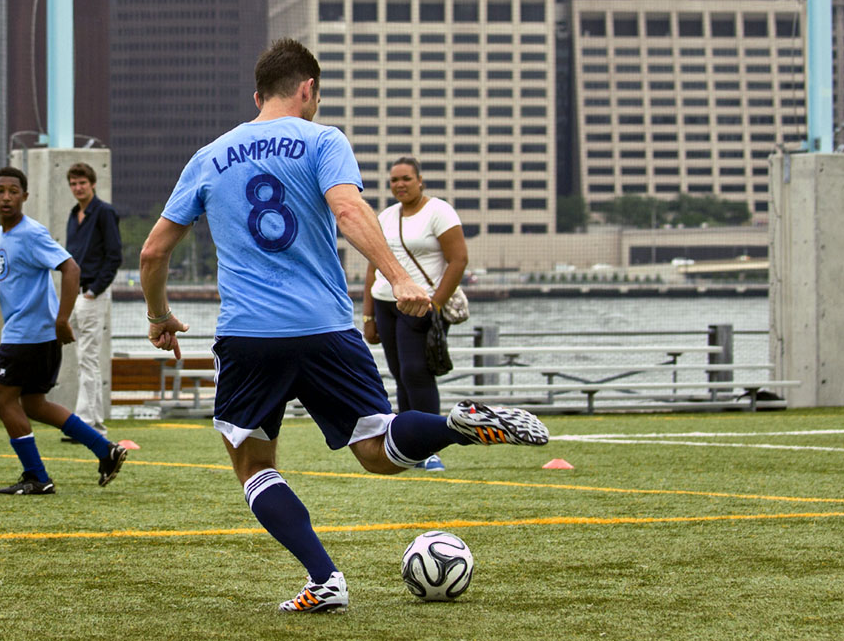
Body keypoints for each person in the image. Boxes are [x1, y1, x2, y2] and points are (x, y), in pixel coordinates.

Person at [140, 38, 549, 613]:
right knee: (378, 450)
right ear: (307, 89)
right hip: (327, 328)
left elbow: (154, 252)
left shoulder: (209, 155)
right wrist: (401, 277)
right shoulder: (324, 139)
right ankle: (456, 425)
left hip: (250, 335)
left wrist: (159, 318)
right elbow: (350, 210)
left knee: (253, 465)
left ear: (258, 95)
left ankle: (325, 579)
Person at [0, 166, 127, 495]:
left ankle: (36, 476)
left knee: (4, 401)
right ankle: (105, 450)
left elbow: (70, 267)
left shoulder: (30, 232)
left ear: (25, 197)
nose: (6, 197)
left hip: (28, 335)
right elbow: (18, 277)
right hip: (33, 335)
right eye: (0, 191)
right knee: (33, 403)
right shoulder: (4, 233)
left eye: (13, 191)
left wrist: (63, 318)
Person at [362, 156, 469, 472]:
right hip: (386, 302)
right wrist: (367, 316)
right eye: (394, 180)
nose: (400, 185)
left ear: (420, 180)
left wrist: (435, 303)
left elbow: (458, 260)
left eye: (406, 179)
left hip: (421, 304)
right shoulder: (386, 216)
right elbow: (373, 266)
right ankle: (408, 445)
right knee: (399, 374)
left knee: (416, 372)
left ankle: (429, 446)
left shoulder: (439, 211)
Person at [62, 162, 123, 443]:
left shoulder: (105, 212)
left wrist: (94, 291)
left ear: (93, 183)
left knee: (88, 359)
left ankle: (90, 424)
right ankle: (89, 422)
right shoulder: (74, 215)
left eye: (82, 183)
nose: (78, 188)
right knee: (80, 359)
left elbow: (114, 256)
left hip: (92, 294)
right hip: (74, 294)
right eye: (73, 184)